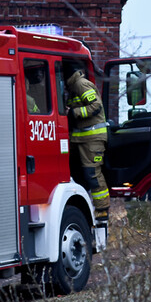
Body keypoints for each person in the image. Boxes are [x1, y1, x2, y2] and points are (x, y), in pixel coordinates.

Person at [66, 64, 110, 221]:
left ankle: (102, 210)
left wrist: (73, 112)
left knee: (92, 173)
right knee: (78, 173)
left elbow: (95, 106)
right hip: (81, 138)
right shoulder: (73, 87)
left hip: (93, 139)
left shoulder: (81, 84)